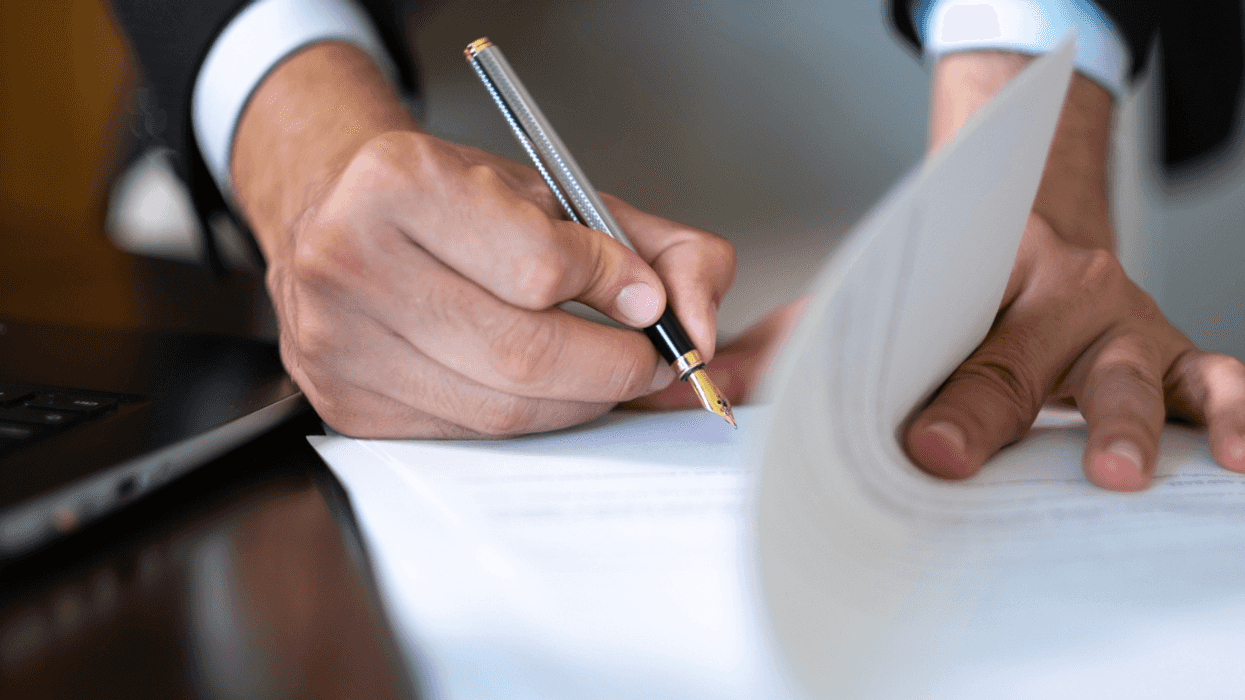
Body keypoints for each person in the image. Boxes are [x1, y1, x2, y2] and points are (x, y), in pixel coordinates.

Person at [108, 0, 1245, 492]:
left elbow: (1013, 214)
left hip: (881, 103)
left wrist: (1013, 175)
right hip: (350, 89)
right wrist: (313, 158)